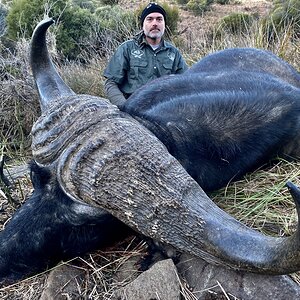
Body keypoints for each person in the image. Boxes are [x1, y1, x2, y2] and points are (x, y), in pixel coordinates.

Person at [103, 2, 188, 106]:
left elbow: (186, 84)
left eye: (159, 19)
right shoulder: (127, 49)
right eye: (150, 19)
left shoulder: (173, 53)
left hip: (164, 110)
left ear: (164, 25)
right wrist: (124, 107)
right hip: (133, 109)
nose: (155, 23)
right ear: (143, 24)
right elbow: (111, 83)